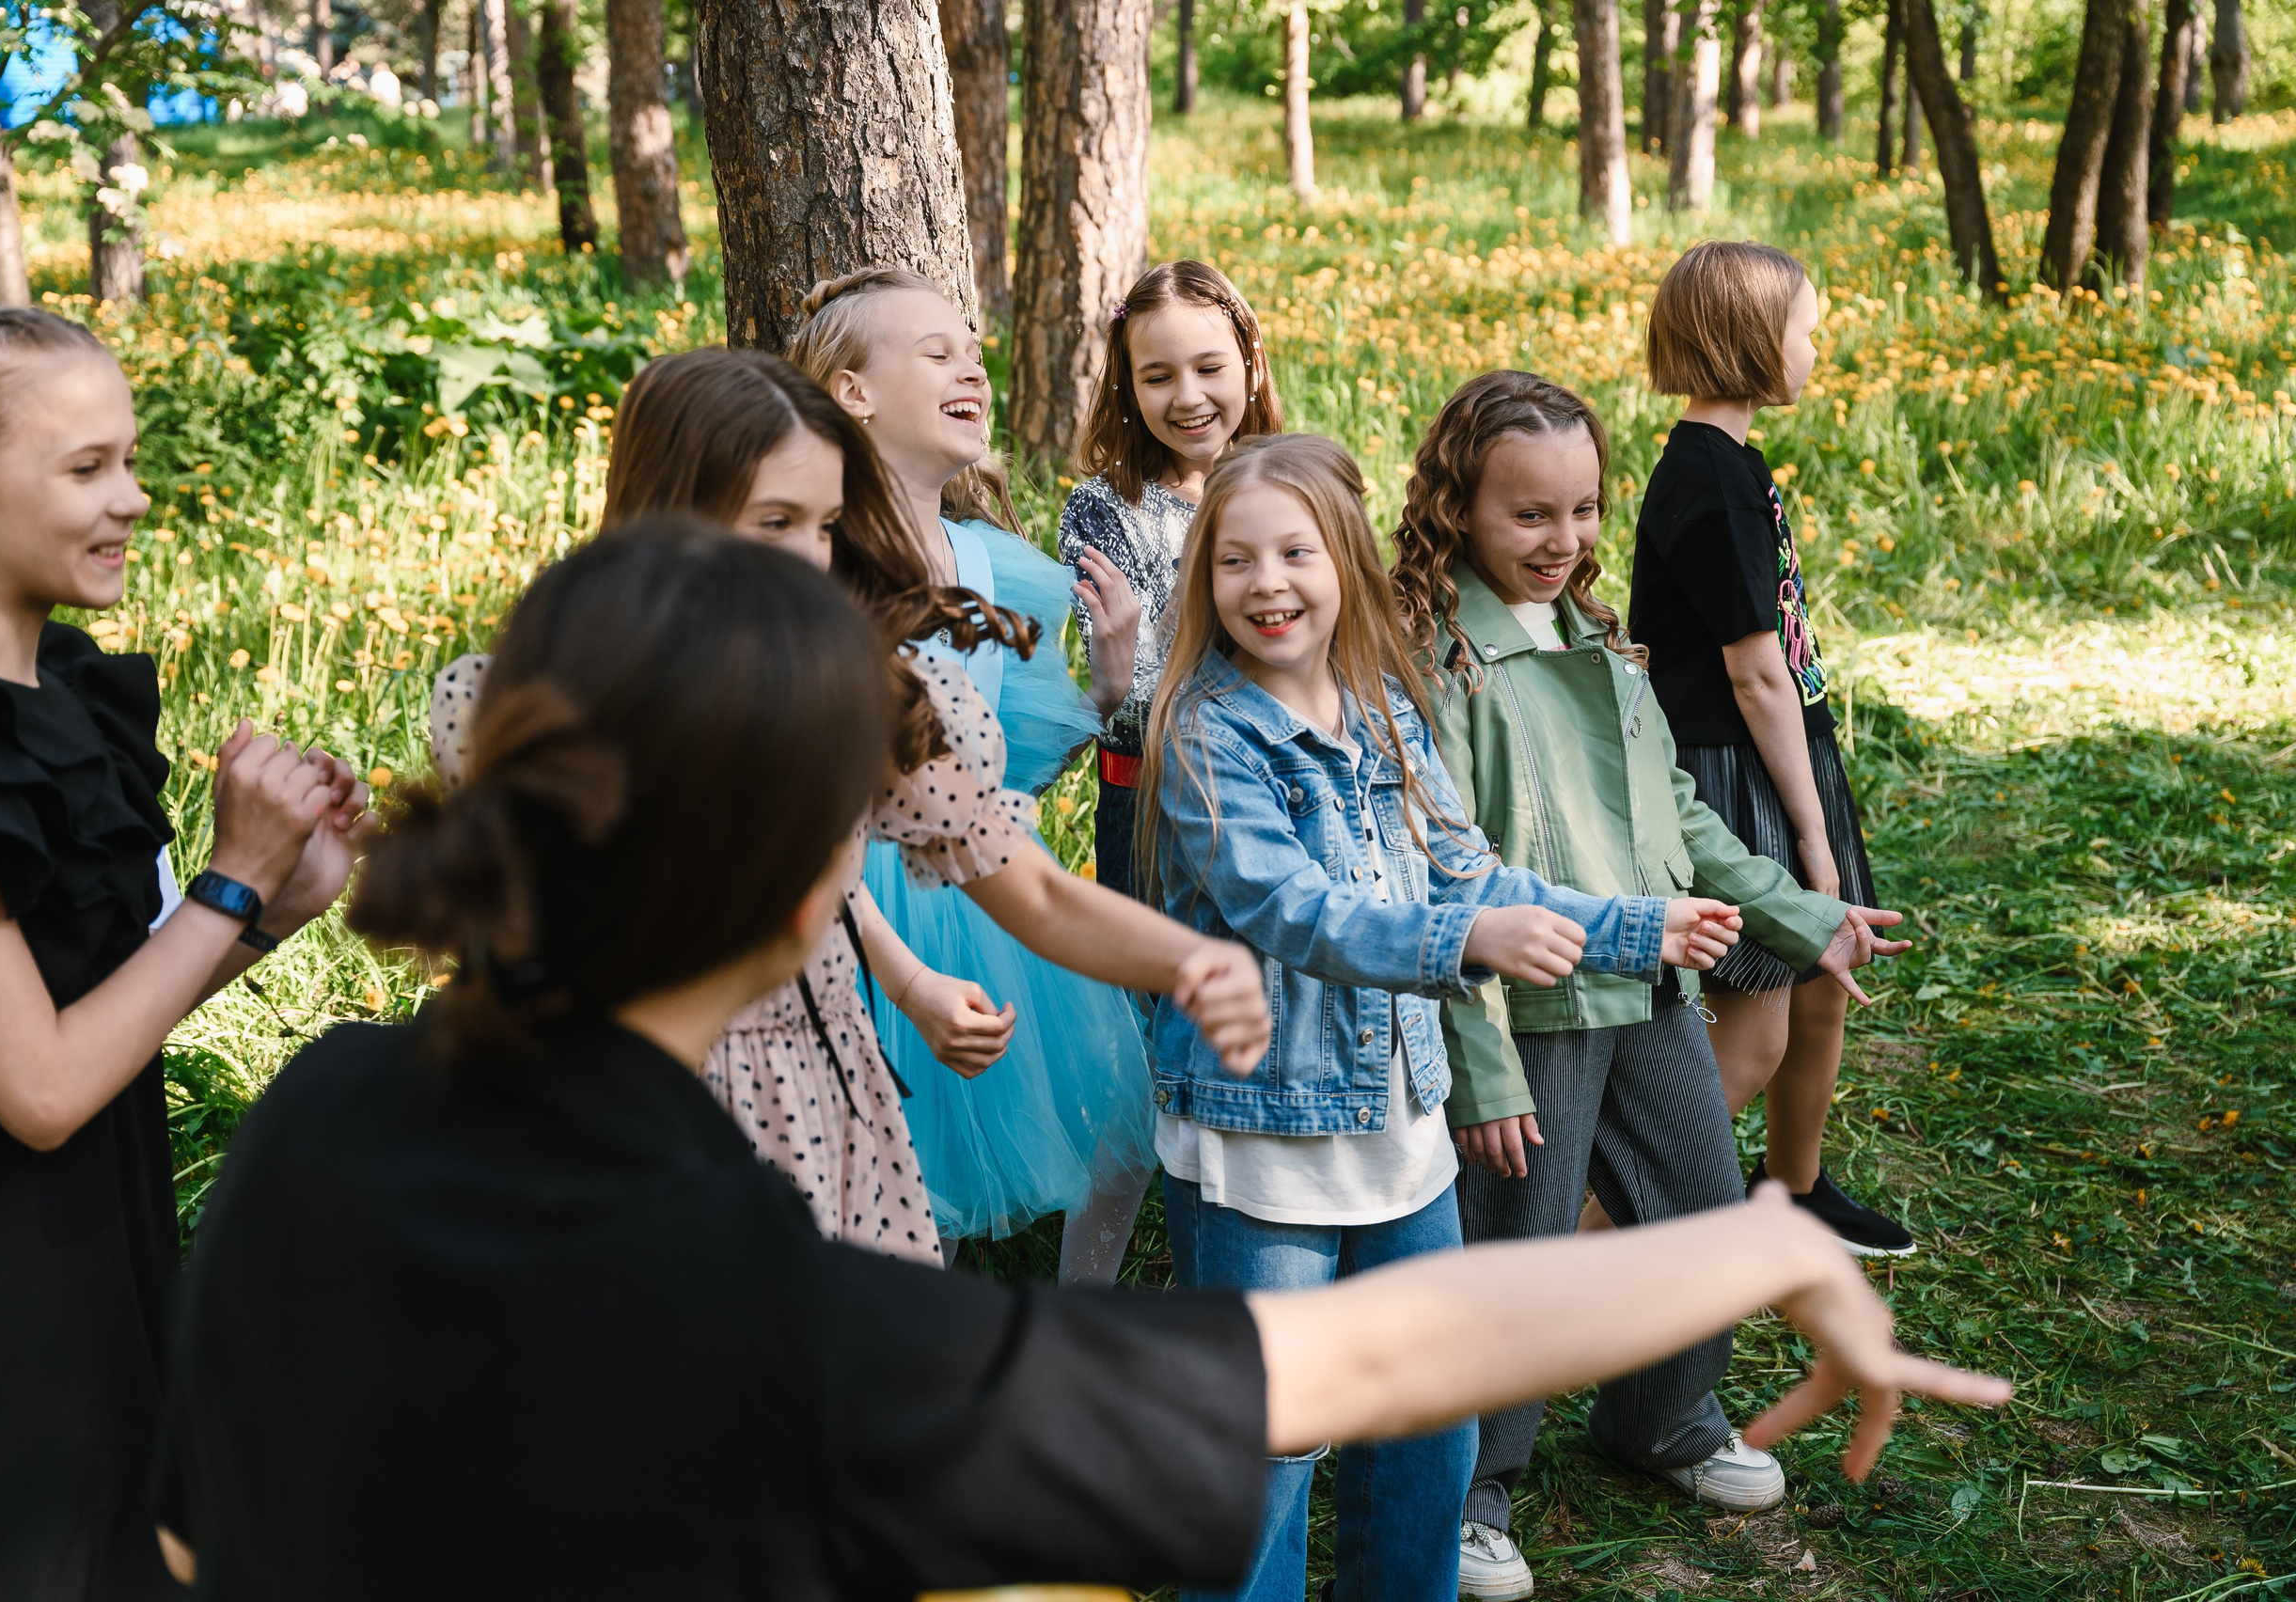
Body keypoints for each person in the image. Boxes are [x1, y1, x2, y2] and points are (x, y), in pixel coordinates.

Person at [152, 526, 2011, 1601]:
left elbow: (189, 1524)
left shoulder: (323, 1114)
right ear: (812, 877)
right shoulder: (764, 1318)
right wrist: (1751, 1244)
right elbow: (1344, 1357)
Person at [430, 346, 1270, 1267]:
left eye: (825, 525)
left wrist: (1192, 960)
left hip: (817, 1095)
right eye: (774, 519)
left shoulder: (862, 696)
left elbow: (1036, 894)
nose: (806, 555)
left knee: (854, 1368)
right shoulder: (541, 700)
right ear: (666, 509)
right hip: (622, 1099)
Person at [1136, 433, 1750, 1602]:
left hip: (1398, 1139)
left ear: (1348, 565)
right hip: (1263, 1147)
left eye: (1296, 554)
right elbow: (1292, 910)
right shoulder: (1207, 737)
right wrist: (1465, 943)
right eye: (1235, 562)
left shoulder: (1384, 709)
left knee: (1426, 1429)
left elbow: (1467, 871)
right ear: (1204, 581)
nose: (1268, 584)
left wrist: (1636, 924)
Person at [1389, 369, 1913, 1598]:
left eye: (1580, 512)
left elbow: (1678, 817)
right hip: (1532, 1005)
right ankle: (1472, 1486)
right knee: (1519, 1243)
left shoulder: (1603, 648)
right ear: (1458, 508)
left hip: (1655, 993)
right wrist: (1481, 1069)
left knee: (1696, 1201)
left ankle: (1661, 1415)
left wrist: (1802, 913)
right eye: (1528, 516)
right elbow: (1438, 881)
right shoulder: (1437, 661)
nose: (1560, 542)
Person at [0, 305, 367, 1599]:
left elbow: (95, 1020)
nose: (135, 499)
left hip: (97, 1248)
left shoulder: (64, 691)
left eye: (132, 461)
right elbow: (37, 1090)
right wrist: (229, 879)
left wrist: (274, 905)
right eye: (87, 467)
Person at [792, 268, 1151, 1281]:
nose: (973, 369)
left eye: (975, 354)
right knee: (886, 1180)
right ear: (854, 392)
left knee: (1117, 1138)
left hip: (985, 902)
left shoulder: (996, 567)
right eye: (937, 352)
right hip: (849, 905)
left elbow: (1008, 766)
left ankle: (1072, 1348)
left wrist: (1106, 695)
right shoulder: (815, 562)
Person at [1628, 242, 1915, 1257]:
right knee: (1750, 1032)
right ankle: (1573, 1244)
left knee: (1822, 983)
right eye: (1806, 328)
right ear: (1751, 340)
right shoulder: (1702, 477)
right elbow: (1753, 674)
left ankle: (1794, 1186)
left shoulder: (1735, 463)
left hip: (1786, 753)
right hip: (1733, 771)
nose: (1815, 347)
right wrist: (1809, 834)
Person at [1058, 258, 1282, 900]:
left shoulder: (1291, 487)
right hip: (1156, 804)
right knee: (1161, 991)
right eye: (1159, 377)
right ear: (1130, 387)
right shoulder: (1105, 511)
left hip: (1283, 782)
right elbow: (1132, 696)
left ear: (1251, 364)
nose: (1188, 396)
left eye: (1210, 368)